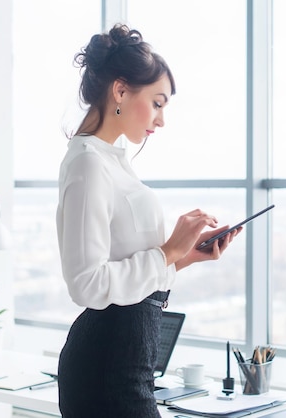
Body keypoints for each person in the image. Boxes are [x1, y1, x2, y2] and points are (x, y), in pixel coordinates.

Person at [55, 23, 241, 418]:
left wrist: (184, 255)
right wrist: (169, 250)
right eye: (157, 103)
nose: (160, 120)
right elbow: (86, 284)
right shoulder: (89, 164)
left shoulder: (110, 161)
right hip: (106, 367)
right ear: (120, 91)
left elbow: (130, 263)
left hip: (129, 361)